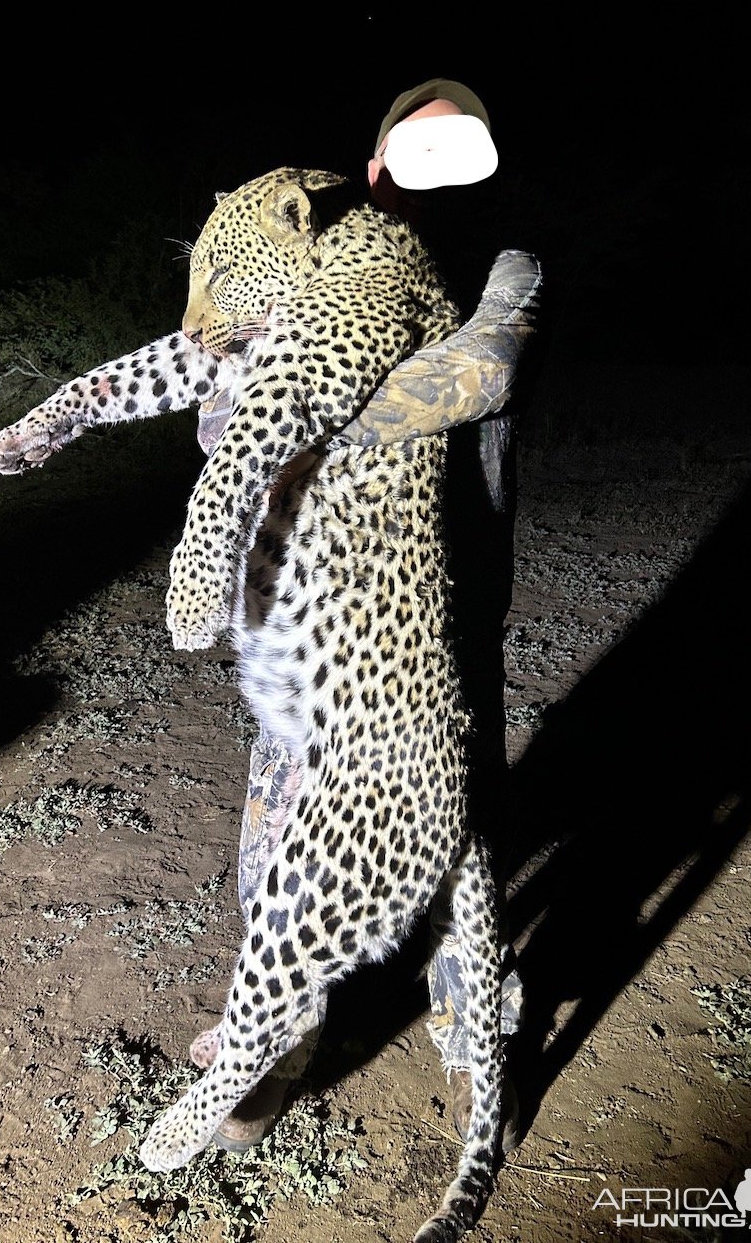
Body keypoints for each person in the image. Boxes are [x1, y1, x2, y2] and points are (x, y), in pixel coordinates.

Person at [203, 79, 539, 1156]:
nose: (434, 184)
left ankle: (468, 1029)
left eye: (462, 160)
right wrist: (263, 400)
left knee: (455, 829)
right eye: (417, 158)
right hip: (311, 600)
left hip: (439, 607)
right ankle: (277, 1032)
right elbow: (217, 409)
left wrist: (308, 403)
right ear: (380, 165)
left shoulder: (506, 269)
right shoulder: (309, 259)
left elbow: (479, 370)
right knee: (284, 807)